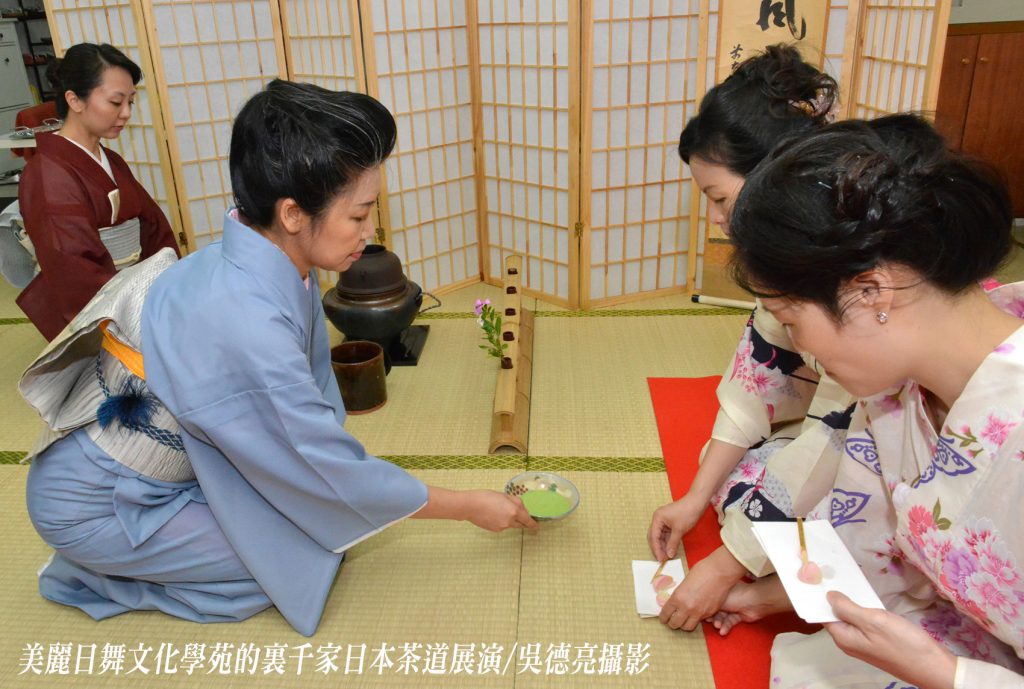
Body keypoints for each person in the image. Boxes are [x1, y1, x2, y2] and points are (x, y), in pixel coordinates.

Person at [20, 79, 537, 637]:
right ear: (292, 214)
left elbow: (305, 422)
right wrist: (466, 505)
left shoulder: (260, 253)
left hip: (175, 471)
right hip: (96, 503)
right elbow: (317, 461)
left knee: (309, 525)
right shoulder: (245, 320)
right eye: (358, 216)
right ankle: (86, 573)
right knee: (290, 560)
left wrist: (319, 469)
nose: (370, 232)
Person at [709, 114, 1024, 688]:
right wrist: (764, 596)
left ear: (870, 291)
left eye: (791, 320)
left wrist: (944, 673)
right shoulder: (896, 391)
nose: (798, 349)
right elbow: (872, 540)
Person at [647, 45, 855, 631]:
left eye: (718, 198)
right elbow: (755, 383)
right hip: (846, 434)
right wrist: (693, 499)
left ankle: (770, 594)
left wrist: (726, 563)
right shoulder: (789, 251)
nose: (715, 218)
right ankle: (780, 580)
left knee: (860, 527)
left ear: (773, 174)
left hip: (895, 460)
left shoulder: (854, 268)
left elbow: (842, 432)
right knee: (732, 481)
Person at [17, 42, 179, 341]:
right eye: (116, 103)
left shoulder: (110, 159)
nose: (127, 113)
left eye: (131, 101)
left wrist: (168, 286)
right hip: (103, 313)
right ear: (74, 100)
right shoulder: (46, 175)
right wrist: (134, 307)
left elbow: (154, 227)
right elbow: (73, 269)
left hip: (136, 296)